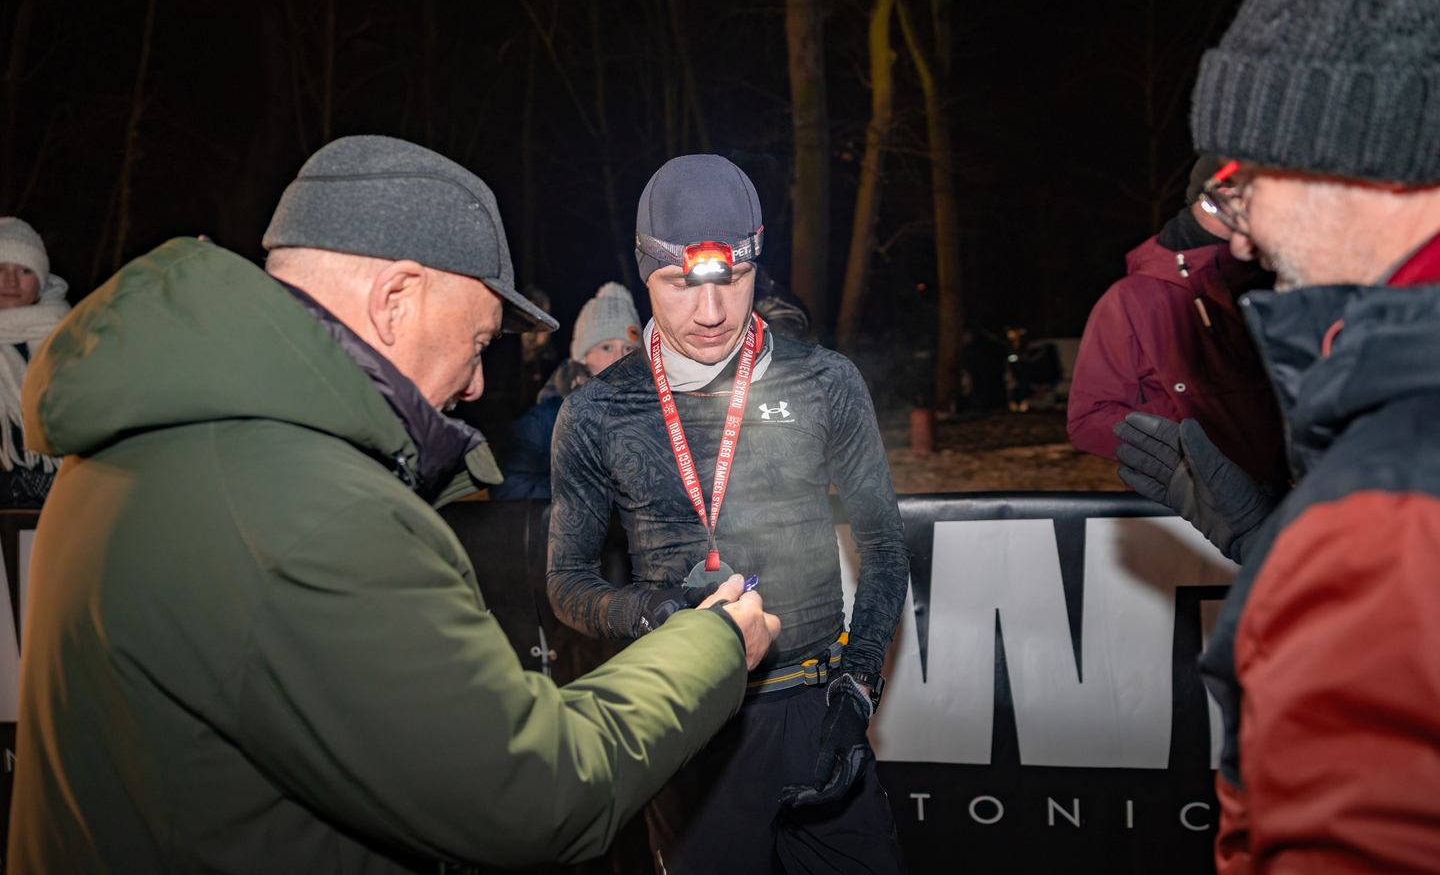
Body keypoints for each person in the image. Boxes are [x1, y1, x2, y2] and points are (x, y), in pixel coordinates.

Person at [8, 135, 780, 873]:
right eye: (478, 343)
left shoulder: (145, 438)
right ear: (396, 300)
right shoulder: (311, 512)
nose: (477, 385)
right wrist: (713, 646)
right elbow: (536, 791)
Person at [1109, 0, 1440, 870]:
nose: (1242, 236)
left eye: (1238, 179)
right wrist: (1274, 542)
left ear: (1361, 153)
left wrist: (1327, 553)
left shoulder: (1388, 520)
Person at [547, 154, 910, 873]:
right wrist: (656, 612)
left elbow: (885, 548)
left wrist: (857, 688)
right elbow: (566, 582)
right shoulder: (596, 411)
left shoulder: (825, 381)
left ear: (755, 266)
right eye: (682, 285)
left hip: (817, 707)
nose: (711, 313)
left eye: (734, 279)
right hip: (686, 713)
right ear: (645, 275)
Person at [1067, 156, 1288, 488]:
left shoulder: (1278, 282)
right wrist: (1187, 445)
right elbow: (1089, 420)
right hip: (1190, 507)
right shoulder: (1133, 298)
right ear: (1223, 196)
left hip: (1291, 501)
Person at [492, 281, 641, 500]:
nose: (619, 359)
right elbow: (508, 488)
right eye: (606, 347)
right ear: (583, 356)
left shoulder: (659, 416)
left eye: (629, 349)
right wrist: (583, 493)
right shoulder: (545, 423)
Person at [0, 217, 69, 507]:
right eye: (0, 269)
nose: (11, 282)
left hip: (65, 500)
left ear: (41, 281)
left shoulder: (71, 338)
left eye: (25, 270)